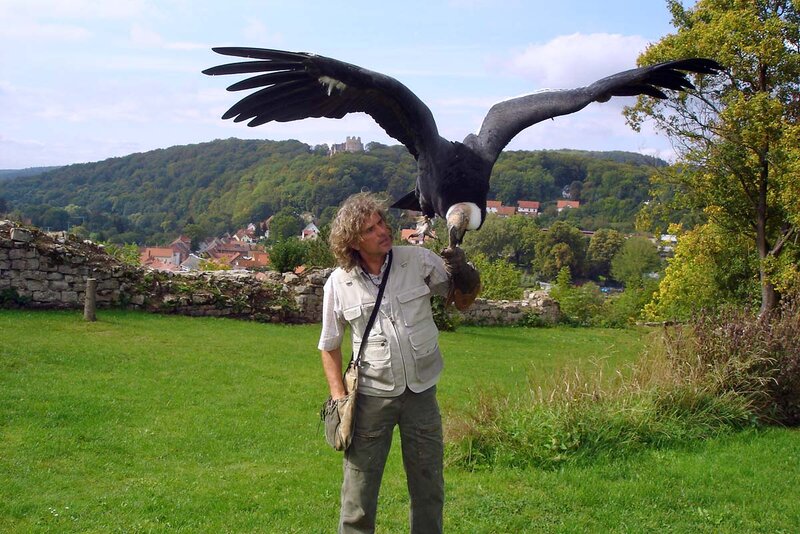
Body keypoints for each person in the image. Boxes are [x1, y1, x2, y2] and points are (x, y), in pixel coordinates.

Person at [318, 192, 480, 533]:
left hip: (421, 393)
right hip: (371, 399)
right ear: (353, 242)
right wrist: (339, 399)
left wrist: (464, 272)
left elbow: (461, 300)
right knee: (359, 494)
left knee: (428, 487)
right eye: (370, 228)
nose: (383, 230)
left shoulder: (417, 260)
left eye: (381, 222)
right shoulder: (338, 283)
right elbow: (329, 345)